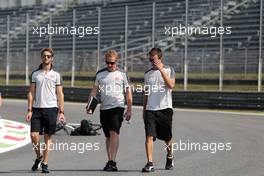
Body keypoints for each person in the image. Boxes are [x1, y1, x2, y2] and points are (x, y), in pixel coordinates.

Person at [87, 50, 132, 171]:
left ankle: (113, 161)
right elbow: (94, 91)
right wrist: (90, 106)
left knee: (114, 132)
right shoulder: (100, 74)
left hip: (118, 107)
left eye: (112, 63)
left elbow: (128, 92)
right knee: (107, 136)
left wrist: (129, 109)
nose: (109, 65)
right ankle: (109, 160)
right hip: (104, 108)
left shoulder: (122, 74)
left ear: (116, 61)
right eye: (107, 63)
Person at [25, 48, 65, 173]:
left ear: (52, 58)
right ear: (41, 57)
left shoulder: (56, 75)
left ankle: (45, 163)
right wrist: (29, 110)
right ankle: (39, 156)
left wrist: (61, 111)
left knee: (48, 137)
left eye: (48, 56)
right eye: (44, 56)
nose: (46, 58)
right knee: (33, 135)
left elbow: (60, 94)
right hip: (37, 109)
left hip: (52, 109)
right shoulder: (35, 74)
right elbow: (31, 93)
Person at [142, 48, 175, 172]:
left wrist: (161, 70)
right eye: (150, 60)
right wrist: (144, 110)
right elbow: (146, 94)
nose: (152, 62)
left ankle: (170, 156)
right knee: (149, 136)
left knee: (167, 137)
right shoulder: (147, 74)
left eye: (154, 59)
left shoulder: (169, 69)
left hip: (165, 109)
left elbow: (171, 85)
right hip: (151, 109)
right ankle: (149, 163)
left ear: (160, 58)